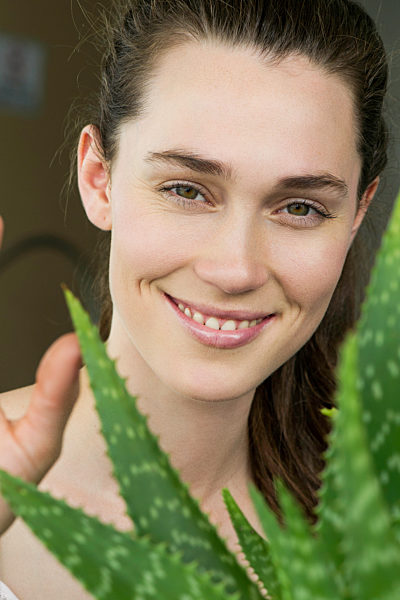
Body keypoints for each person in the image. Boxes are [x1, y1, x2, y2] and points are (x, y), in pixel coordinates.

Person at [0, 0, 391, 597]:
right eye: (186, 190)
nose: (235, 269)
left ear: (359, 215)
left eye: (300, 207)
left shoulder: (371, 538)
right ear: (98, 178)